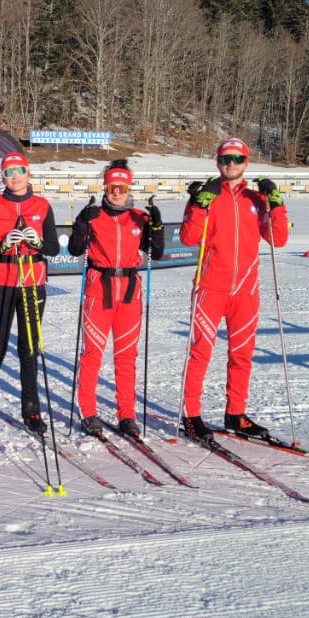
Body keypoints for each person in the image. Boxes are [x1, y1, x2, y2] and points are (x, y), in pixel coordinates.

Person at [178, 137, 289, 442]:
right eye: (225, 159)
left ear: (246, 163)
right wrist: (200, 204)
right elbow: (188, 238)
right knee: (200, 353)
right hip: (210, 288)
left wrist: (276, 204)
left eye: (237, 159)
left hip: (246, 291)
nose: (231, 164)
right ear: (217, 162)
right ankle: (191, 416)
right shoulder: (206, 195)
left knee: (242, 354)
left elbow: (278, 239)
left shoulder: (256, 199)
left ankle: (235, 415)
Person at [67, 160, 164, 439]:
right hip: (100, 291)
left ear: (129, 187)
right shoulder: (94, 215)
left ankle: (127, 414)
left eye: (122, 187)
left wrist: (157, 227)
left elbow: (156, 253)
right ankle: (88, 411)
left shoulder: (139, 217)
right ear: (105, 188)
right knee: (92, 355)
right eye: (112, 187)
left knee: (126, 357)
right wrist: (81, 223)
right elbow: (75, 250)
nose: (117, 192)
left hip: (130, 294)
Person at [0, 152, 61, 436]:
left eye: (19, 171)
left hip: (32, 282)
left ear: (28, 173)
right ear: (3, 177)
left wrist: (38, 243)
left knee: (29, 347)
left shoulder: (42, 205)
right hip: (3, 281)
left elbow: (54, 248)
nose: (15, 177)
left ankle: (31, 410)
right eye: (8, 173)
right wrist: (1, 246)